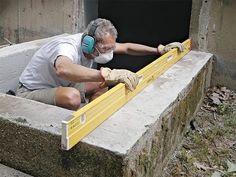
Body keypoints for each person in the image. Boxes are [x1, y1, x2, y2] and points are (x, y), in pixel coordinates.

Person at [16, 18, 184, 110]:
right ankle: (76, 117)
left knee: (102, 83)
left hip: (63, 84)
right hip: (31, 91)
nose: (107, 53)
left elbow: (127, 48)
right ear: (88, 43)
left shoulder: (98, 45)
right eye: (105, 48)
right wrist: (108, 74)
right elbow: (63, 69)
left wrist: (158, 50)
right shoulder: (66, 46)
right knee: (72, 97)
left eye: (110, 48)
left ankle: (91, 113)